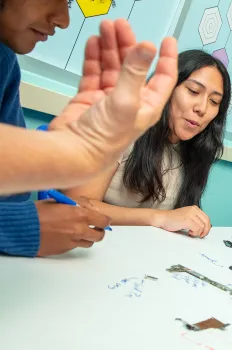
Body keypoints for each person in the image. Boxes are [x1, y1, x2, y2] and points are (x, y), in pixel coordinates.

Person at [0, 0, 178, 256]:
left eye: (69, 3)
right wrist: (19, 225)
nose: (64, 20)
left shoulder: (6, 60)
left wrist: (70, 153)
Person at [63, 50, 231, 238]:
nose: (202, 108)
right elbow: (76, 204)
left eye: (214, 101)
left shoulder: (195, 151)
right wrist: (160, 218)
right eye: (193, 91)